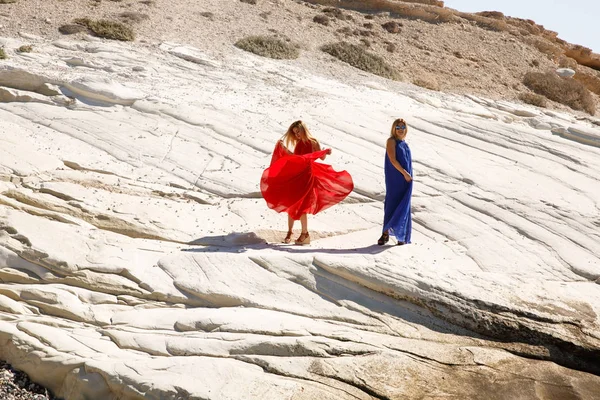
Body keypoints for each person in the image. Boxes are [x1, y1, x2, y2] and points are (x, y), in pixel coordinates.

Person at [261, 120, 354, 245]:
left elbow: (320, 158)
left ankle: (304, 234)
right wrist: (283, 149)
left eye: (298, 131)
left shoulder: (313, 142)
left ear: (303, 129)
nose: (297, 135)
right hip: (297, 175)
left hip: (307, 176)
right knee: (292, 203)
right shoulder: (299, 143)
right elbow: (296, 159)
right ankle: (291, 232)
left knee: (302, 204)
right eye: (295, 133)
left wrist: (325, 152)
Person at [378, 118, 413, 246]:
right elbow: (393, 160)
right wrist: (405, 173)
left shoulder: (404, 143)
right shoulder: (391, 141)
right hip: (396, 178)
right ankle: (385, 233)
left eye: (402, 127)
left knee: (404, 205)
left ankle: (400, 235)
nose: (400, 130)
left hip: (406, 178)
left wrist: (408, 175)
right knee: (392, 203)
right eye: (398, 127)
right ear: (394, 129)